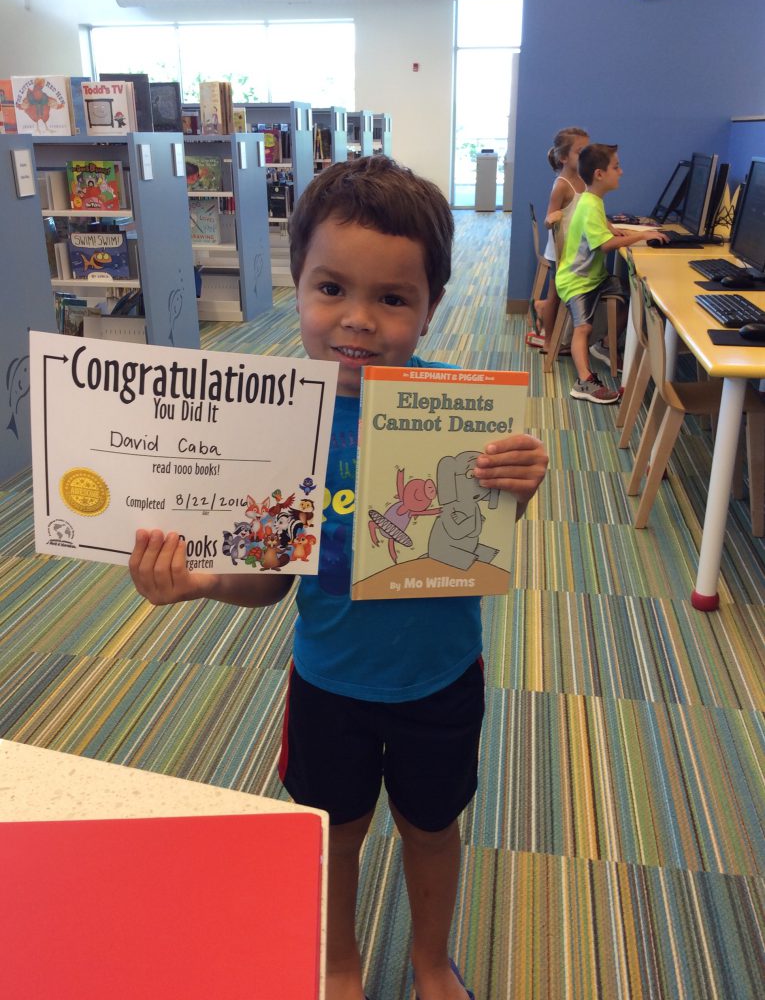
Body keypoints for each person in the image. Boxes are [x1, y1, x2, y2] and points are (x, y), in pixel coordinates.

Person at [129, 155, 549, 1000]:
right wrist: (204, 581)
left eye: (392, 299)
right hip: (328, 684)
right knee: (336, 833)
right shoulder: (277, 428)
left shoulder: (457, 413)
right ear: (298, 286)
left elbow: (474, 543)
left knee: (433, 830)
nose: (357, 320)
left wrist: (520, 485)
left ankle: (431, 961)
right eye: (331, 289)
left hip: (439, 678)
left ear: (429, 311)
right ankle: (339, 959)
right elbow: (268, 580)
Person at [555, 143, 667, 404]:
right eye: (616, 167)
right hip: (577, 280)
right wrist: (640, 235)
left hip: (596, 278)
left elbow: (600, 228)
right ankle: (584, 381)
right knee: (583, 327)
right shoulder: (590, 204)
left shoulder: (591, 200)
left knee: (628, 298)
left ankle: (605, 344)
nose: (622, 172)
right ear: (599, 174)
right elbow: (604, 245)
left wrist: (616, 230)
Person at [527, 126, 589, 352]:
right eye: (581, 152)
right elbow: (548, 219)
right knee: (556, 296)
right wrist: (551, 219)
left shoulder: (585, 179)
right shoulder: (562, 185)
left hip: (578, 251)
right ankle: (549, 341)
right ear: (563, 157)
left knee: (562, 295)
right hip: (560, 253)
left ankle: (543, 310)